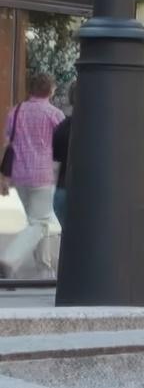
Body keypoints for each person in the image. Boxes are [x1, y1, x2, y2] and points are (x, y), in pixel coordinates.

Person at [0, 73, 64, 278]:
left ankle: (45, 271)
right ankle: (9, 259)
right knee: (41, 223)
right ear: (50, 91)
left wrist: (4, 177)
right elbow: (63, 142)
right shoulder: (55, 114)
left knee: (36, 221)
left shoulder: (16, 111)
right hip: (43, 175)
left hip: (20, 175)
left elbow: (7, 143)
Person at [51, 82, 76, 230]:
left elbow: (55, 165)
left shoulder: (62, 127)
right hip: (91, 192)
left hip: (63, 189)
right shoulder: (102, 127)